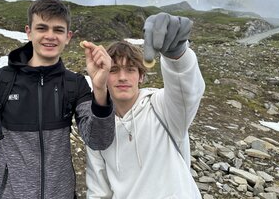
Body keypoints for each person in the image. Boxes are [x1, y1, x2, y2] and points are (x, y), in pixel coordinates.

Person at [0, 0, 115, 199]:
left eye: (58, 30)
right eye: (42, 28)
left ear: (68, 36)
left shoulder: (75, 84)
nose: (50, 36)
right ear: (28, 31)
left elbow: (98, 140)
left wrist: (99, 88)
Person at [86, 12, 205, 198]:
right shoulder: (98, 127)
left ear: (141, 76)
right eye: (114, 70)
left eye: (130, 69)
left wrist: (177, 54)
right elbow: (98, 191)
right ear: (105, 75)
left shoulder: (162, 107)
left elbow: (187, 91)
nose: (122, 77)